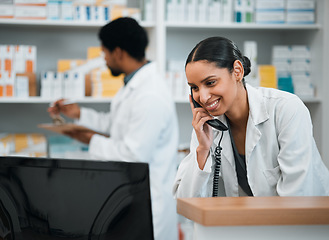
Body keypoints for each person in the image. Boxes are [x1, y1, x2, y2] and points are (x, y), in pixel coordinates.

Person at [48, 17, 179, 240]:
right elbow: (116, 123)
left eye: (105, 53)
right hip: (128, 199)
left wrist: (89, 139)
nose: (105, 60)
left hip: (149, 205)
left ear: (118, 52)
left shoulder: (150, 94)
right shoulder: (134, 84)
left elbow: (133, 154)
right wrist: (78, 115)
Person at [173, 36, 329, 198]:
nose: (203, 97)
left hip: (307, 220)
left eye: (210, 82)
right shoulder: (208, 126)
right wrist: (203, 150)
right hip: (252, 221)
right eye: (194, 88)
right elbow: (185, 200)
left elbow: (296, 196)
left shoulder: (286, 109)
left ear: (238, 71)